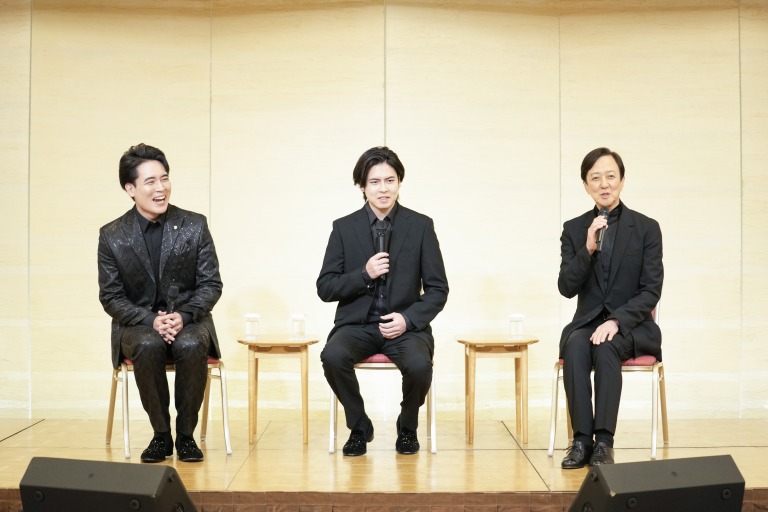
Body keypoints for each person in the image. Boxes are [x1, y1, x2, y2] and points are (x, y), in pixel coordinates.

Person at [318, 146, 449, 456]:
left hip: (406, 328)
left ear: (399, 182)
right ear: (362, 186)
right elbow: (326, 287)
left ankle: (408, 426)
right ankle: (359, 426)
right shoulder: (343, 228)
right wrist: (364, 274)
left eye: (390, 180)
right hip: (357, 326)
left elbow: (438, 289)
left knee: (419, 365)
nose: (383, 189)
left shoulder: (420, 226)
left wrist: (408, 319)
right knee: (332, 356)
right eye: (374, 182)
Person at [98, 143, 223, 463]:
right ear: (130, 188)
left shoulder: (194, 225)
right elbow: (111, 296)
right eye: (150, 181)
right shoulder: (112, 235)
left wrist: (184, 315)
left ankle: (186, 436)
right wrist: (150, 320)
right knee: (148, 344)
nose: (161, 188)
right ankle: (161, 435)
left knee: (191, 343)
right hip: (137, 326)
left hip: (190, 320)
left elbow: (211, 284)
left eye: (164, 178)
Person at [558, 147, 663, 469]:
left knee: (606, 349)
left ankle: (603, 442)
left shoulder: (646, 228)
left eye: (610, 177)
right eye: (595, 178)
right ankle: (580, 441)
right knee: (575, 346)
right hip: (587, 322)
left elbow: (651, 290)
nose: (604, 184)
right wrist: (587, 249)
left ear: (622, 180)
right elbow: (566, 287)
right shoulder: (574, 229)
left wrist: (616, 321)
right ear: (585, 185)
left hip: (632, 326)